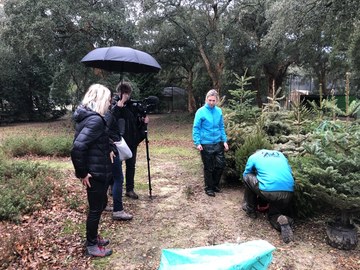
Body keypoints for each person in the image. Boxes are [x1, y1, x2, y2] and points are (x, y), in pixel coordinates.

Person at [71, 83, 113, 257]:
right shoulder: (95, 120)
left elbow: (97, 142)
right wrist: (82, 173)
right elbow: (77, 148)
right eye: (109, 100)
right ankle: (91, 245)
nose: (110, 103)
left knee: (101, 204)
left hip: (98, 170)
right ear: (101, 100)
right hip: (95, 173)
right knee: (96, 209)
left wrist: (110, 148)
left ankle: (93, 238)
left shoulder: (91, 118)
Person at [242, 149, 295, 243]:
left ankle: (250, 210)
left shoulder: (254, 157)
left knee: (247, 177)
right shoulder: (281, 155)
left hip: (268, 191)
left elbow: (246, 173)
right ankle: (283, 220)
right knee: (274, 214)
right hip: (288, 191)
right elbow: (290, 173)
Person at [192, 89, 229, 197]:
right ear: (206, 99)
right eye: (210, 100)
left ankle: (215, 185)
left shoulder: (219, 111)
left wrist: (224, 141)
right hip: (205, 143)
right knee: (209, 167)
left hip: (218, 142)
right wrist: (197, 142)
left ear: (217, 100)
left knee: (221, 165)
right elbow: (196, 128)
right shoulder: (200, 112)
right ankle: (209, 188)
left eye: (213, 100)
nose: (211, 102)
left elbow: (221, 127)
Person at [116, 81, 149, 200]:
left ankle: (130, 189)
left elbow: (137, 122)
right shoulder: (114, 106)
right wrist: (119, 106)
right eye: (123, 92)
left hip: (132, 141)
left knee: (131, 166)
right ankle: (113, 187)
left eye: (127, 93)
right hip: (118, 142)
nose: (126, 95)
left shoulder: (133, 106)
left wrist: (144, 122)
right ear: (118, 93)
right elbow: (111, 120)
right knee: (116, 166)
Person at [104, 90, 133, 221]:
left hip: (108, 148)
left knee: (109, 177)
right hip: (111, 148)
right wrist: (110, 146)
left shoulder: (103, 111)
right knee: (118, 178)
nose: (112, 100)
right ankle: (118, 210)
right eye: (110, 99)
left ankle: (103, 205)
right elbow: (106, 129)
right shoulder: (107, 113)